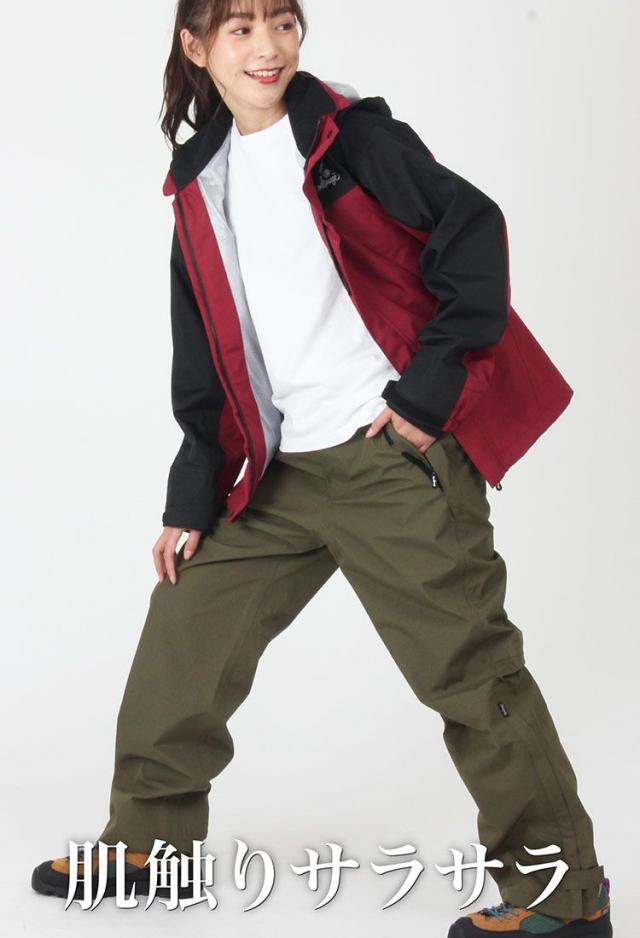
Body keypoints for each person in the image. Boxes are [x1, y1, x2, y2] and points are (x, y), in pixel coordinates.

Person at [31, 1, 613, 934]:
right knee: (186, 630)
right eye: (240, 29)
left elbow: (472, 228)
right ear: (196, 46)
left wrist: (424, 400)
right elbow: (205, 357)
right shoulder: (202, 179)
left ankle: (565, 901)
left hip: (389, 463)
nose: (268, 48)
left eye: (283, 22)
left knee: (472, 675)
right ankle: (149, 847)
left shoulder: (353, 138)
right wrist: (192, 497)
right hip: (281, 472)